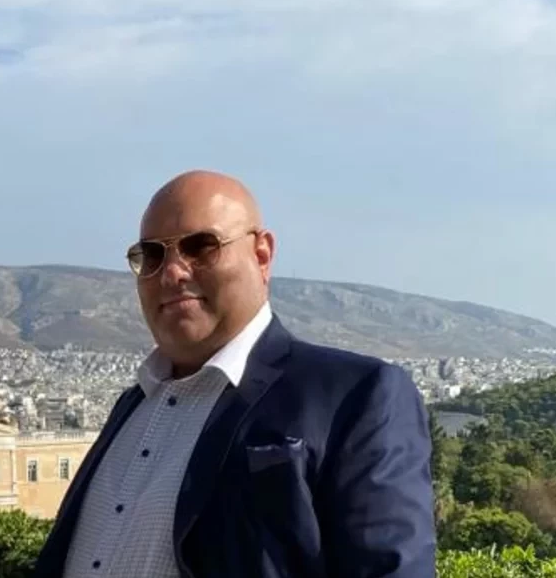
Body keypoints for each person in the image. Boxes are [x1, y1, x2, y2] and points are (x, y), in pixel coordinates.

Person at [32, 170, 436, 578]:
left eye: (200, 247)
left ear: (261, 255)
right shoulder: (132, 404)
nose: (173, 273)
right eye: (152, 255)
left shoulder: (354, 395)